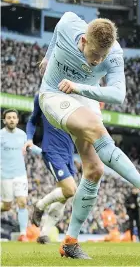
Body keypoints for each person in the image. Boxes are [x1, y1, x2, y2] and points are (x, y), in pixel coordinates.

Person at [38, 12, 140, 259]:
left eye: (103, 55)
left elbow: (118, 95)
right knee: (96, 128)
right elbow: (58, 29)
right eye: (94, 55)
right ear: (83, 42)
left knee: (94, 171)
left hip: (83, 94)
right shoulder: (69, 23)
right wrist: (47, 57)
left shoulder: (113, 54)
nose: (98, 60)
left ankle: (70, 242)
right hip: (54, 94)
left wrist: (80, 87)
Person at [23, 93, 77, 244]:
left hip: (69, 153)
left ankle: (43, 234)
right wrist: (29, 139)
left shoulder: (73, 94)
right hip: (52, 150)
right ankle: (40, 205)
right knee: (71, 189)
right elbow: (33, 120)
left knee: (65, 195)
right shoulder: (42, 96)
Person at [0, 109, 29, 242]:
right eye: (9, 117)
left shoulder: (23, 135)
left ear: (17, 120)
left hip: (20, 174)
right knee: (7, 206)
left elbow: (29, 149)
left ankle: (23, 234)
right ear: (4, 120)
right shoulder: (1, 135)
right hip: (5, 175)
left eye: (14, 117)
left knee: (22, 202)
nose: (11, 120)